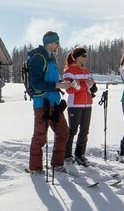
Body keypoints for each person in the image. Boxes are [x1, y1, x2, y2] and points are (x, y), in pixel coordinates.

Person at [27, 31, 71, 174]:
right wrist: (57, 85)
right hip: (42, 103)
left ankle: (57, 165)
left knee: (63, 133)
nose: (58, 45)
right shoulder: (38, 58)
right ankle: (35, 168)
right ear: (49, 43)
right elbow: (36, 83)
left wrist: (61, 83)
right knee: (40, 136)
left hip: (55, 102)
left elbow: (51, 80)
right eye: (56, 42)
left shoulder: (51, 58)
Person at [62, 46, 98, 166]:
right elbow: (69, 90)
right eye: (84, 56)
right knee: (72, 131)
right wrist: (85, 85)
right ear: (77, 57)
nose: (86, 58)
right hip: (75, 105)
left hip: (87, 105)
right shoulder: (69, 71)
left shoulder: (86, 70)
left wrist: (92, 87)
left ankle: (80, 155)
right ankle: (67, 155)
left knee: (84, 131)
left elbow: (88, 86)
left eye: (86, 55)